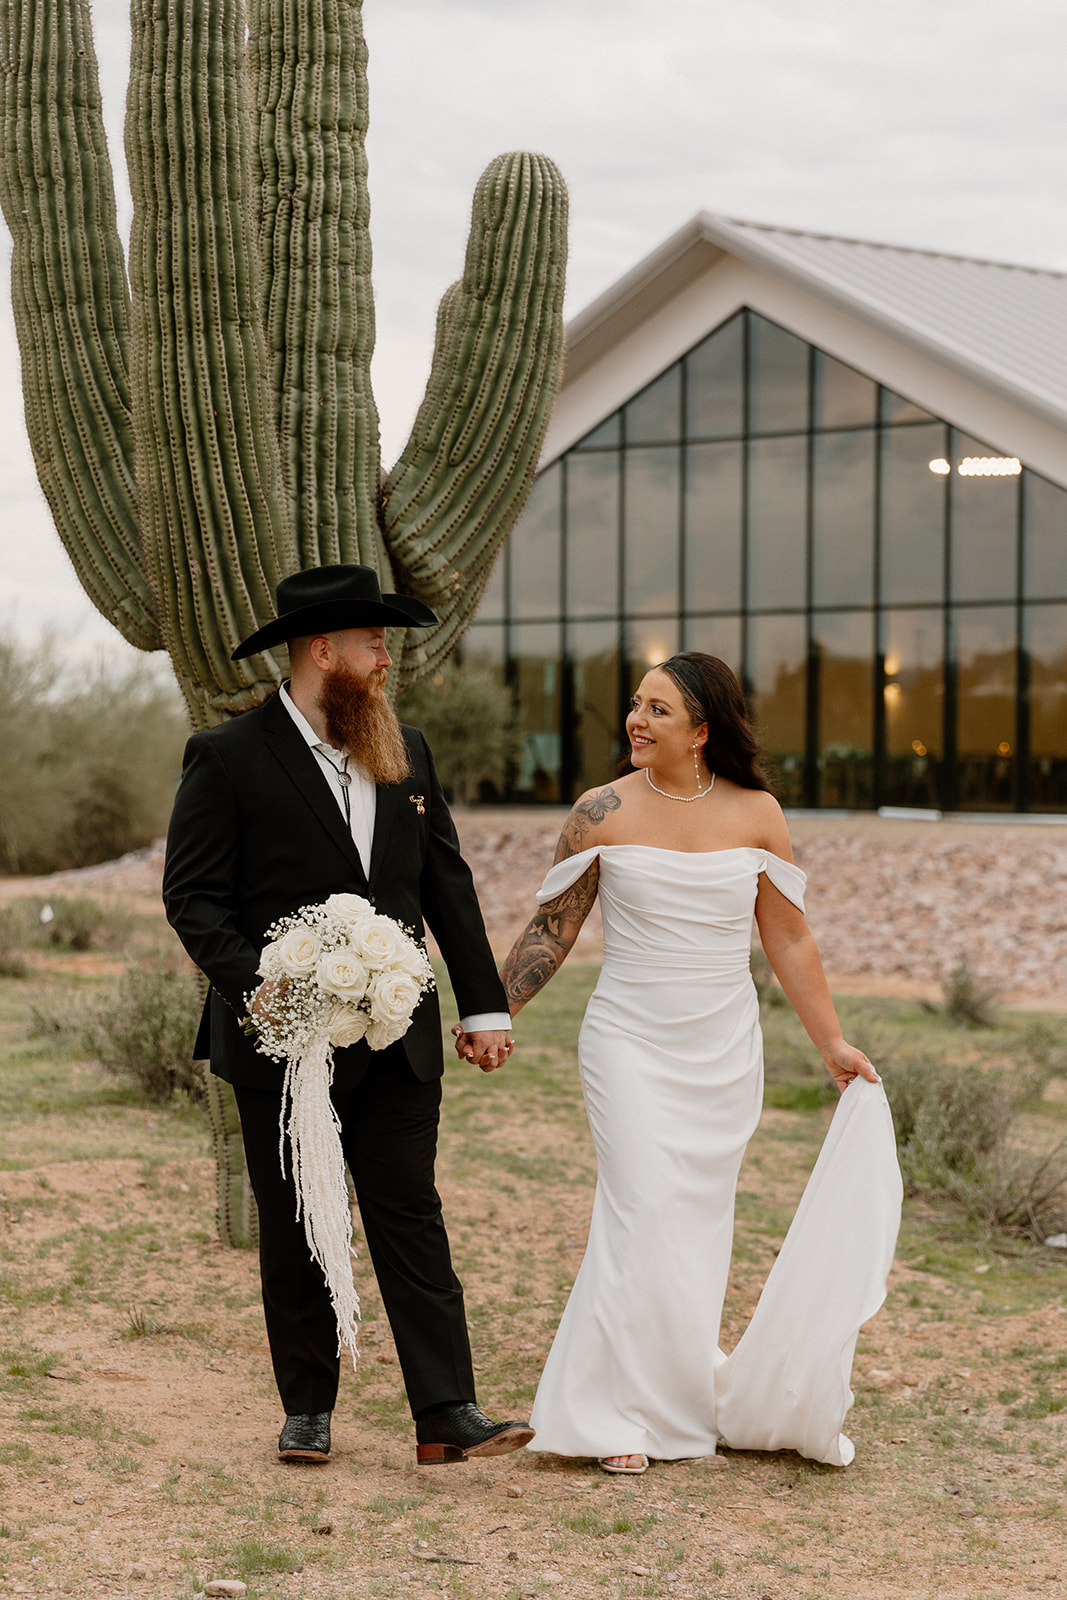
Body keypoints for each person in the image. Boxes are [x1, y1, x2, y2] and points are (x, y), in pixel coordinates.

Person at [486, 652, 902, 1476]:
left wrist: (832, 1044)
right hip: (626, 1039)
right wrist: (495, 1012)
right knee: (639, 1209)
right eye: (636, 705)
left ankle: (669, 1393)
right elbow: (553, 925)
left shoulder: (758, 815)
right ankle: (613, 1415)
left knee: (694, 1227)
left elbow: (786, 935)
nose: (636, 721)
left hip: (720, 1048)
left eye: (658, 711)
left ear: (703, 731)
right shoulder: (599, 810)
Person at [163, 564, 533, 1468]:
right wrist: (272, 985)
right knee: (294, 1219)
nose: (384, 660)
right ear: (324, 653)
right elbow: (194, 899)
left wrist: (485, 1005)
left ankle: (446, 1412)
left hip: (400, 1036)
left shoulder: (404, 750)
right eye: (373, 645)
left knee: (410, 1211)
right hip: (282, 1043)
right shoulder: (228, 757)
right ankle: (308, 1410)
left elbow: (445, 882)